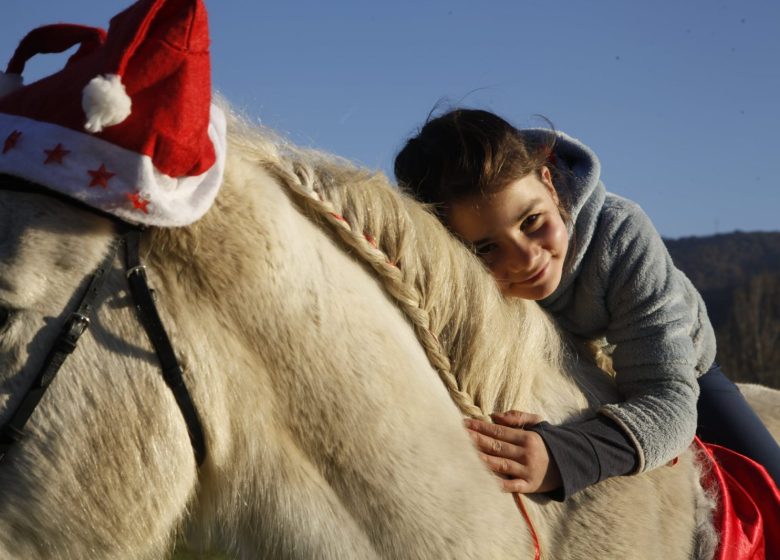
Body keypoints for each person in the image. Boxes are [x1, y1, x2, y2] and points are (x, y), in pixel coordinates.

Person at [393, 108, 780, 500]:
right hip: (569, 364)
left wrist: (564, 456)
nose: (526, 259)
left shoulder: (622, 234)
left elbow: (670, 402)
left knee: (773, 487)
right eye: (487, 248)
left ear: (549, 182)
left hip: (681, 368)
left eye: (531, 221)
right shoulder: (458, 277)